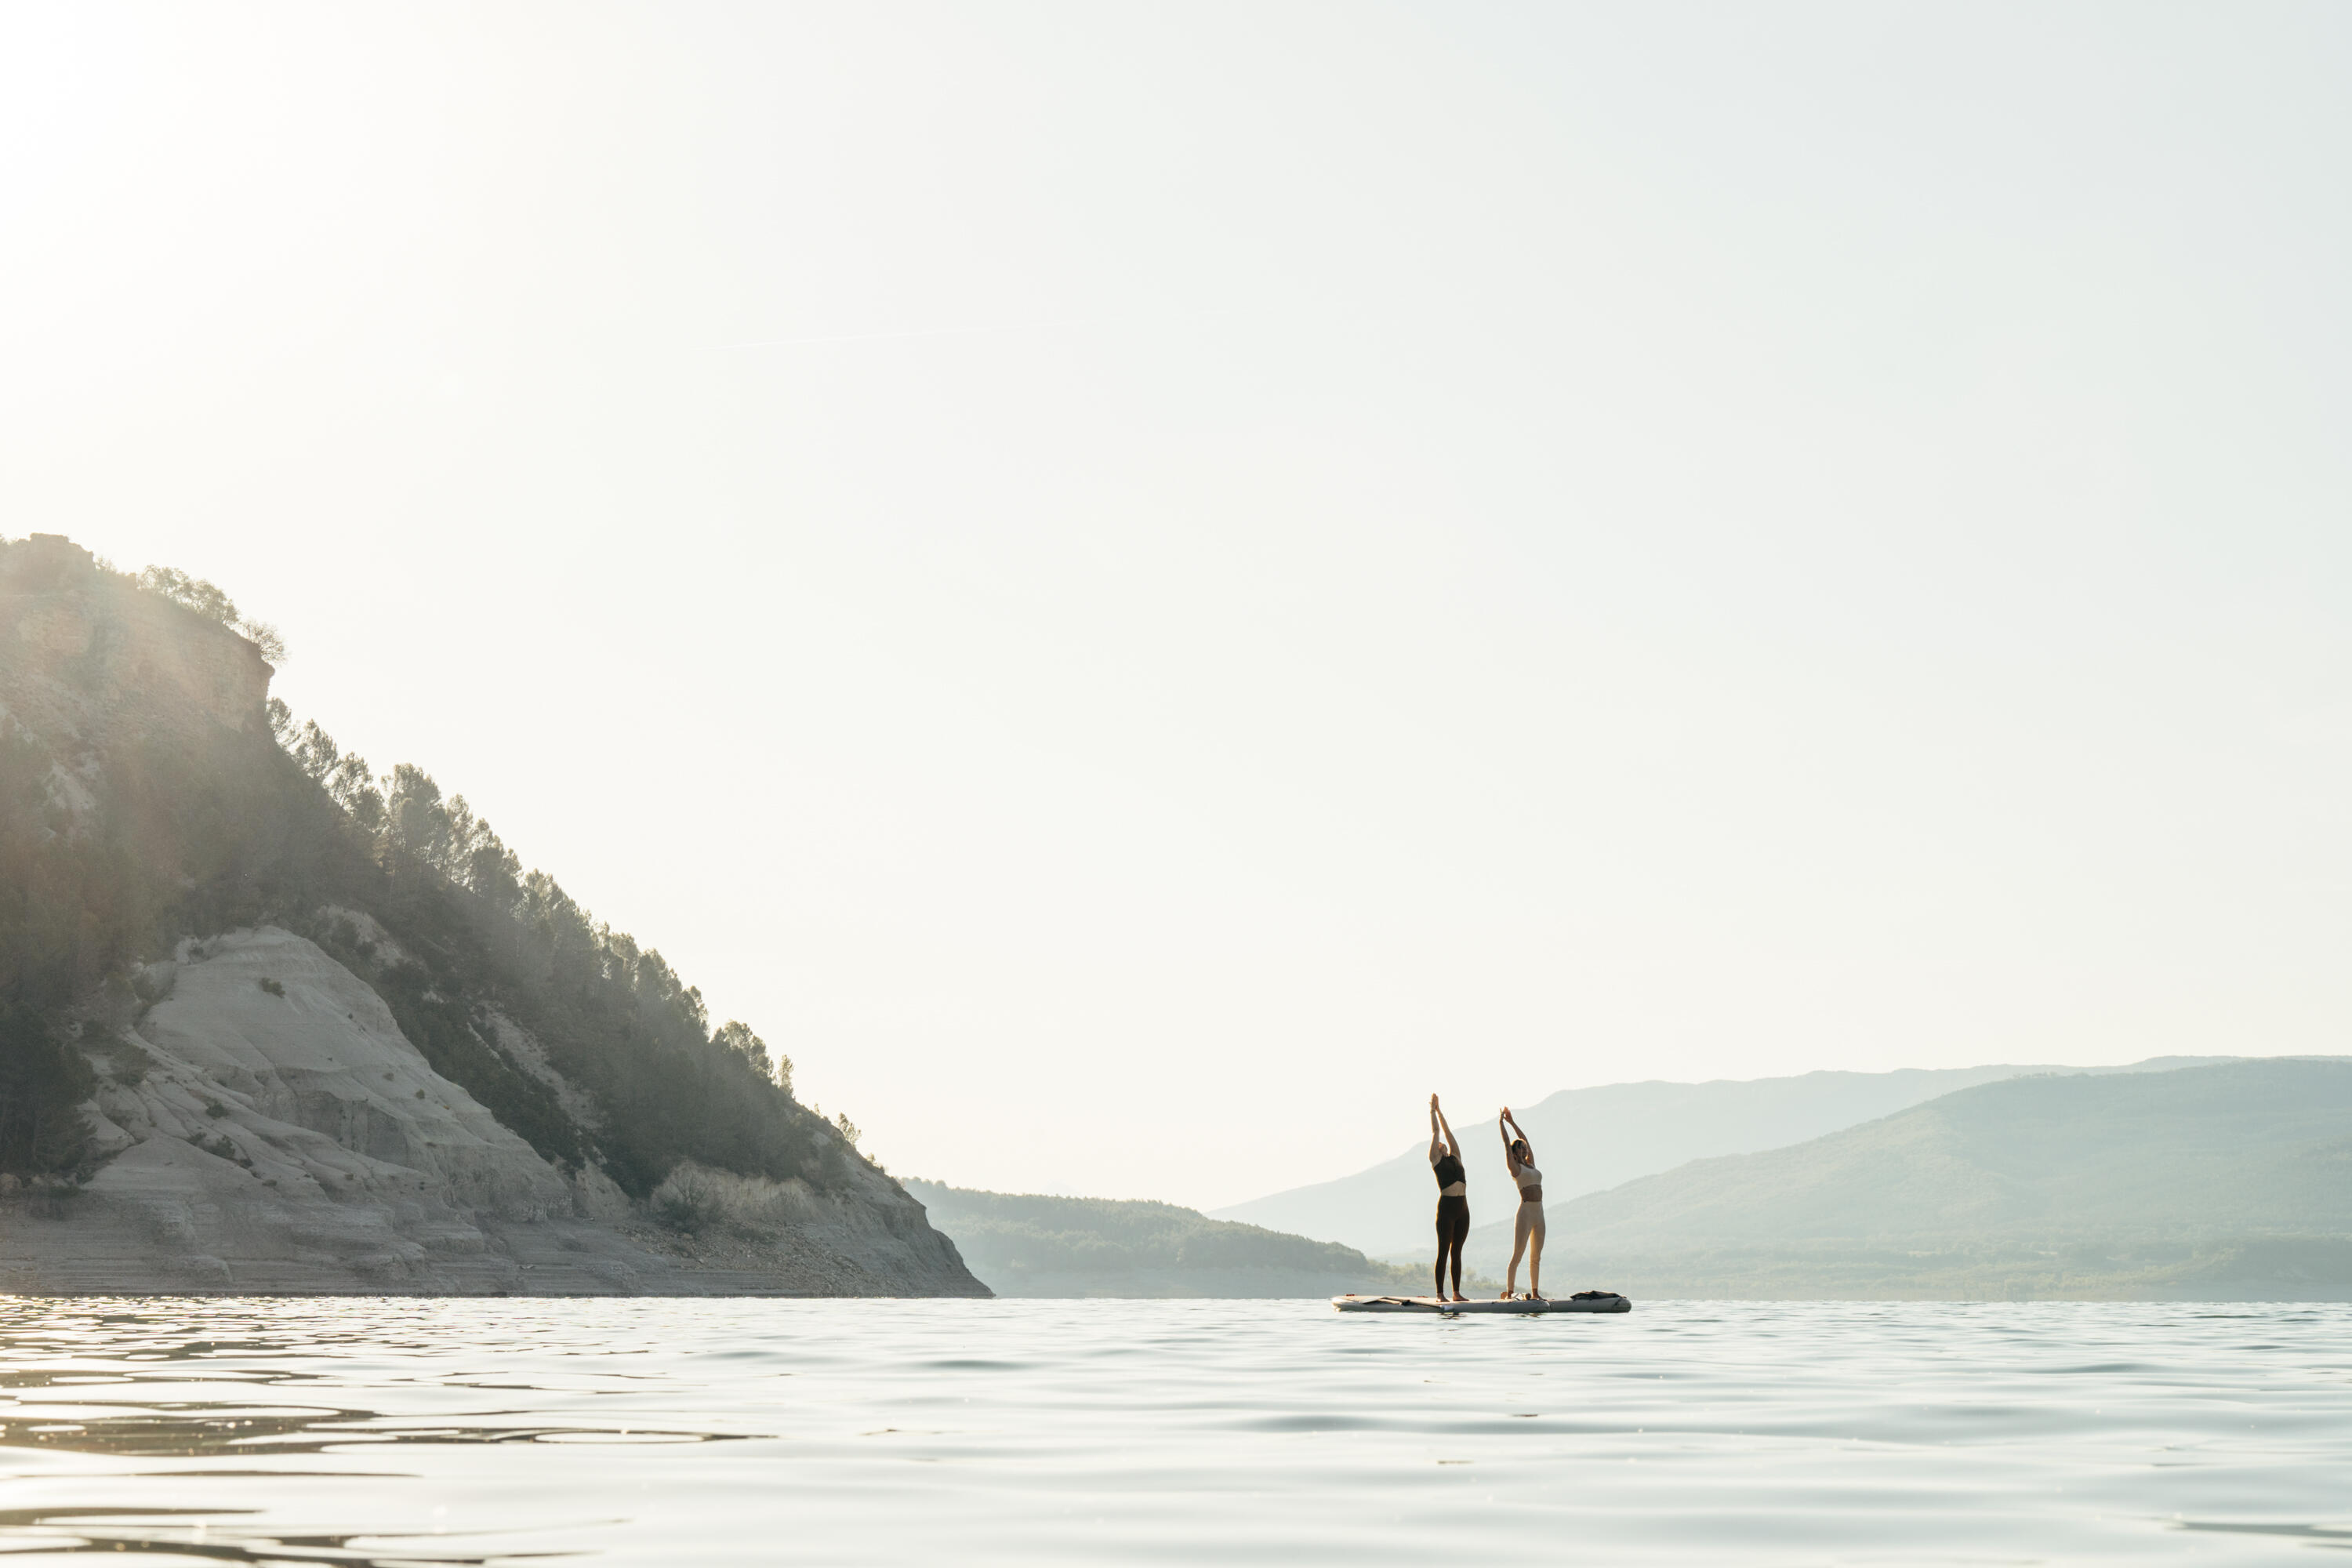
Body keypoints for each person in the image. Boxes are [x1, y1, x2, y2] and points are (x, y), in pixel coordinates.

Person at [1498, 1105, 1544, 1300]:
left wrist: (1512, 1122)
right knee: (1518, 1254)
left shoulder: (1531, 1164)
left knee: (1536, 1257)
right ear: (1515, 1153)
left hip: (1539, 1212)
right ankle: (1509, 1292)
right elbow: (1507, 1143)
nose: (1524, 1149)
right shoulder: (1515, 1168)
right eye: (1521, 1148)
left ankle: (1535, 1293)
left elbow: (1525, 1139)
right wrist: (1501, 1124)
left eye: (1524, 1148)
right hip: (1525, 1212)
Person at [1428, 1094, 1469, 1302]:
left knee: (1457, 1252)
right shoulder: (1435, 1160)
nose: (1441, 1143)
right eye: (1438, 1143)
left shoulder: (1456, 1156)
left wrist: (1442, 1112)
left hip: (1463, 1208)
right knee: (1443, 1250)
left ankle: (1456, 1293)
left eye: (1443, 1143)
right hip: (1447, 1208)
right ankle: (1440, 1294)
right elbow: (1436, 1131)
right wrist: (1433, 1111)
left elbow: (1447, 1131)